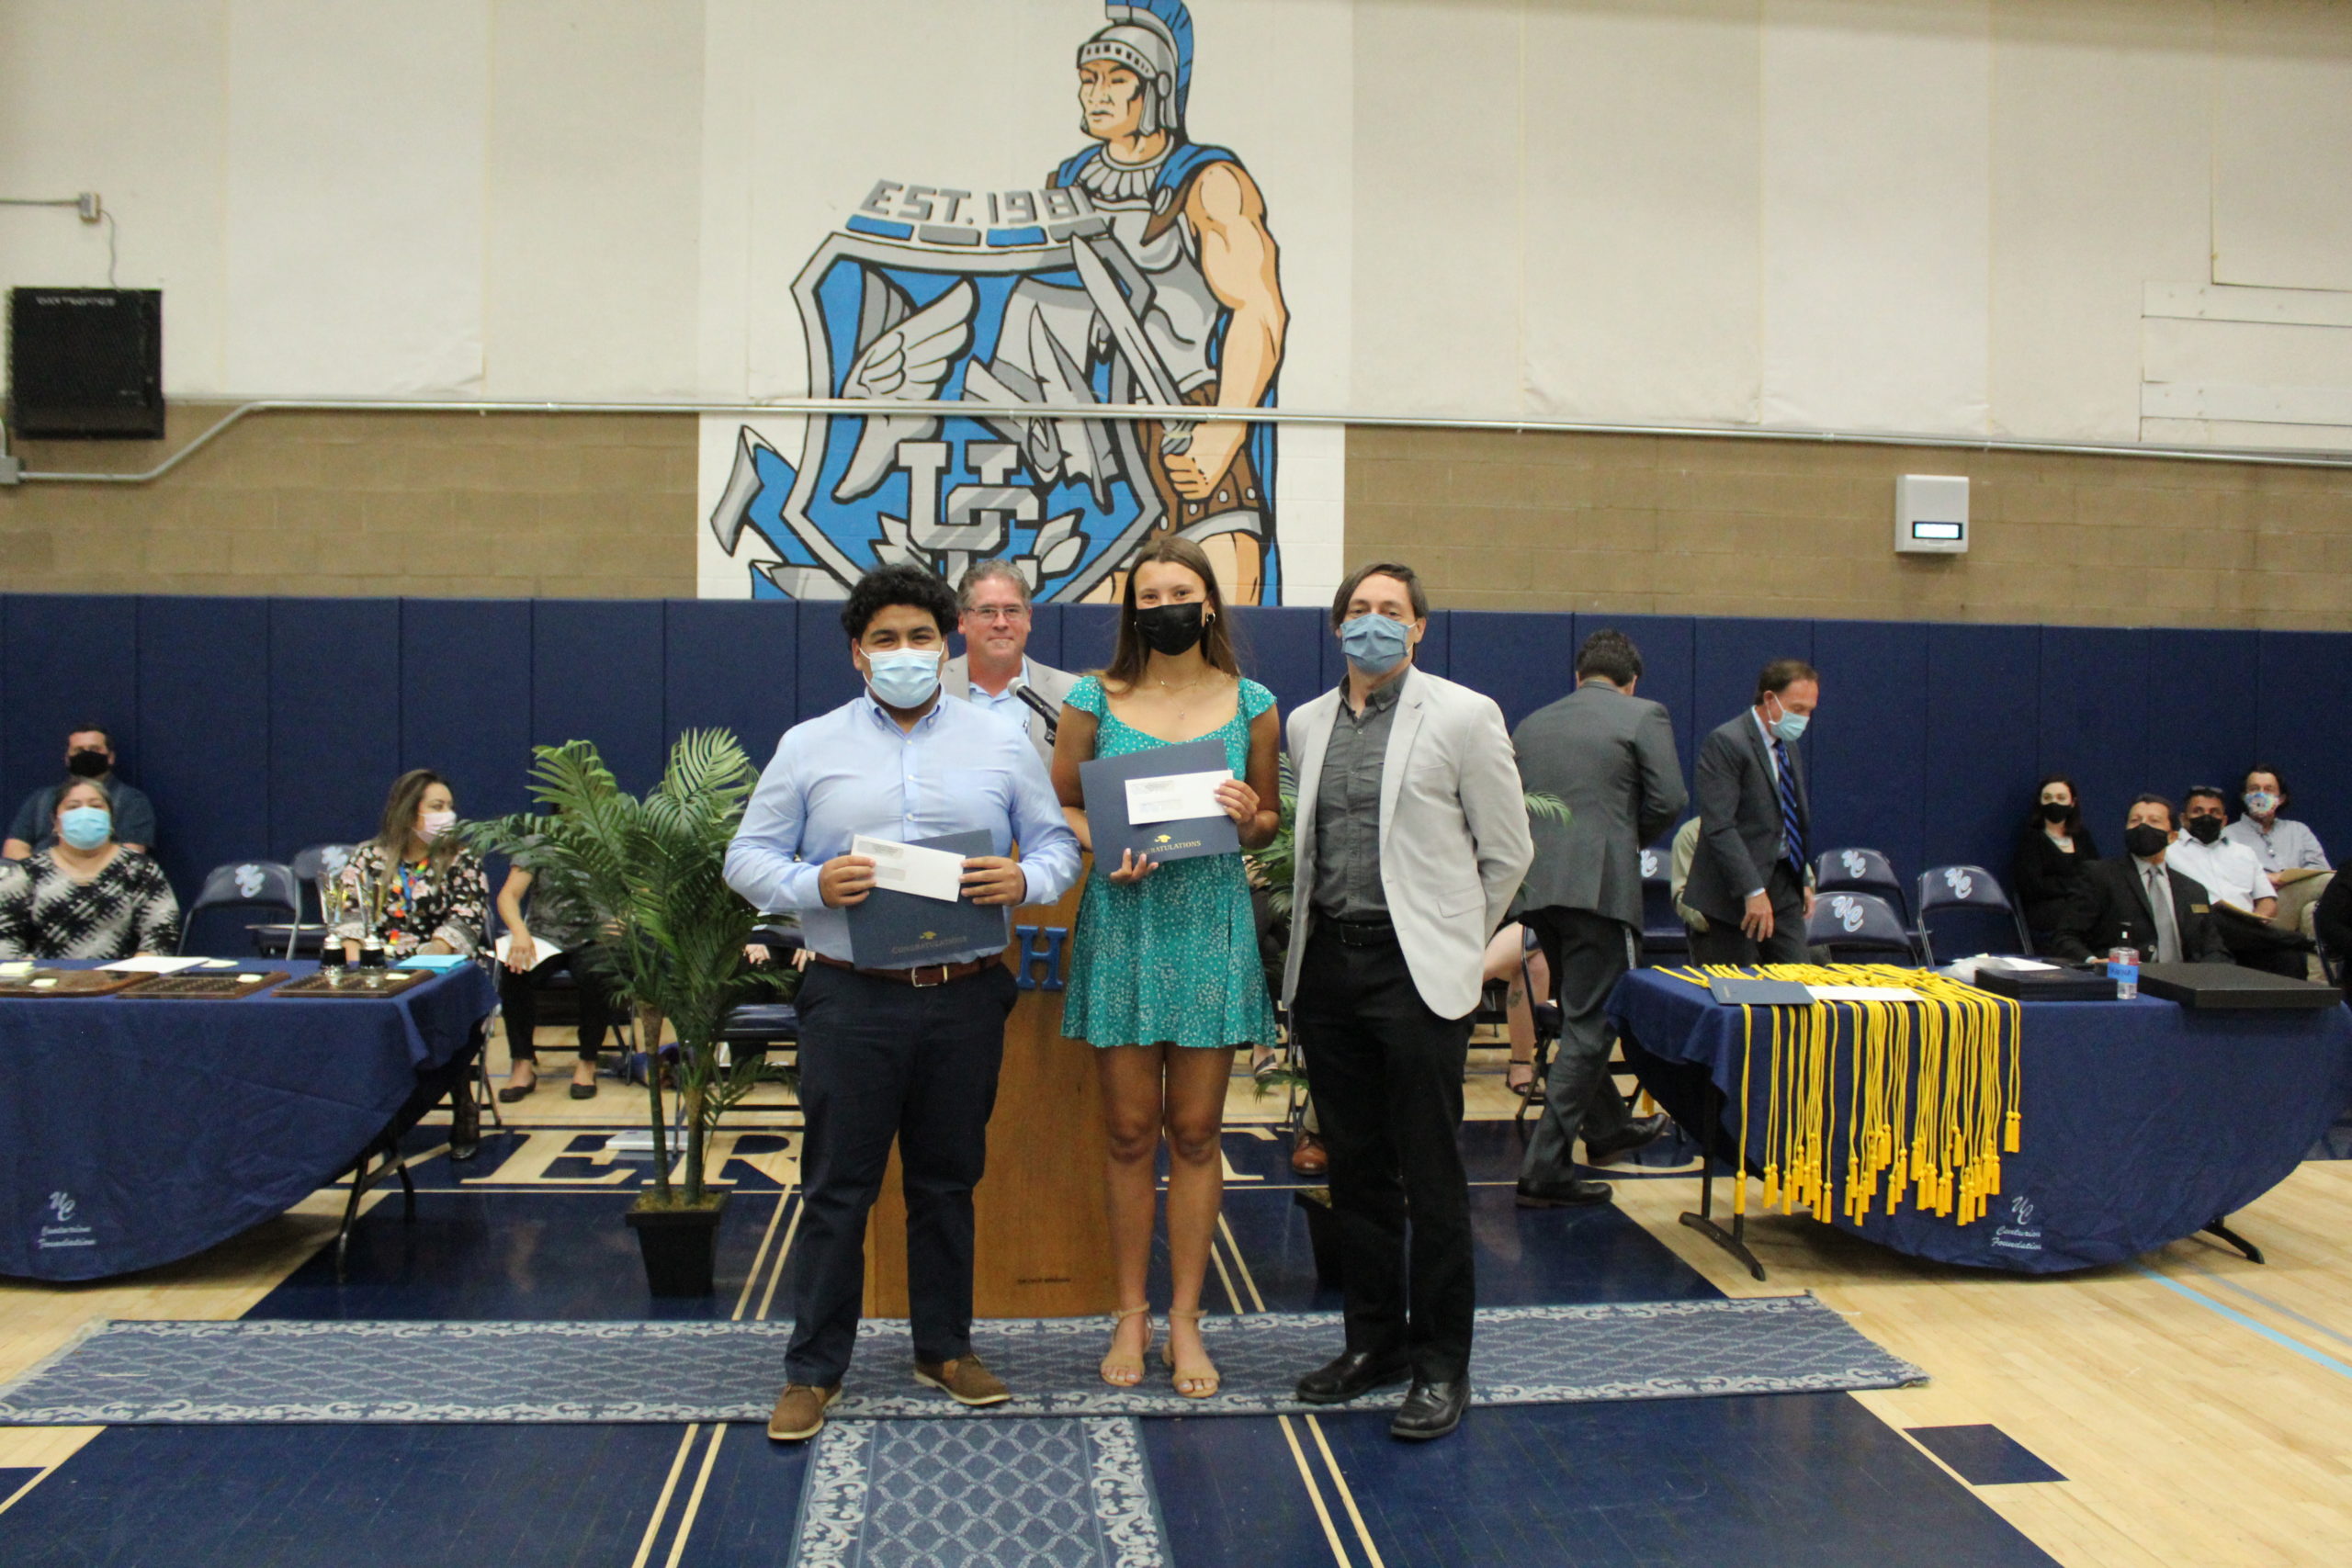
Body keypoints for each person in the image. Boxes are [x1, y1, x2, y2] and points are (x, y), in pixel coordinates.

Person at [724, 563, 1080, 1445]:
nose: (905, 652)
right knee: (836, 1187)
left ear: (946, 641)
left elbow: (1056, 848)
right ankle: (813, 1369)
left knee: (947, 1182)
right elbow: (746, 857)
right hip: (851, 995)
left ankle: (944, 1349)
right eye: (885, 638)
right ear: (858, 653)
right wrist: (812, 883)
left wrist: (1025, 879)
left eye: (920, 636)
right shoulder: (810, 745)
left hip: (965, 995)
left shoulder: (1001, 742)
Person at [1281, 560, 1532, 1444]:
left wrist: (1455, 943)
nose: (1373, 621)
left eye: (1391, 609)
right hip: (1329, 969)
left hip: (1416, 973)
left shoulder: (1464, 715)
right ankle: (1374, 1344)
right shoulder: (1306, 723)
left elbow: (1508, 850)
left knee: (1430, 1173)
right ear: (1336, 625)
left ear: (1419, 626)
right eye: (1359, 608)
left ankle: (1441, 1364)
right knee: (1354, 1170)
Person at [1052, 536, 1280, 1400]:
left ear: (1208, 601)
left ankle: (1186, 1317)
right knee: (1126, 1130)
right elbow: (1061, 801)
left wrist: (1249, 813)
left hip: (1210, 921)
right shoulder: (1091, 697)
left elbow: (1265, 821)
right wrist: (1100, 843)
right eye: (1148, 596)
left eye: (1179, 591)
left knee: (1195, 1131)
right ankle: (1130, 1312)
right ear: (1131, 609)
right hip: (1127, 917)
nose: (1164, 606)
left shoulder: (1253, 703)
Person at [1508, 628, 1686, 1207]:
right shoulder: (1643, 715)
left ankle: (1607, 1127)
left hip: (1538, 891)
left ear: (1578, 677)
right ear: (1631, 683)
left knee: (1580, 1013)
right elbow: (1670, 799)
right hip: (1600, 890)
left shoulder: (1532, 723)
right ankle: (1545, 1169)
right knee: (1592, 1024)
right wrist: (1623, 841)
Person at [1682, 660, 1819, 965]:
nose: (1804, 719)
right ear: (1769, 699)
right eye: (1797, 709)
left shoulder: (1788, 746)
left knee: (1798, 978)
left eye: (1810, 711)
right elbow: (1719, 825)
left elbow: (1789, 818)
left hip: (1783, 883)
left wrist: (1802, 880)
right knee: (1738, 986)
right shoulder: (1727, 742)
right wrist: (1752, 890)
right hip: (1733, 891)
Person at [0, 778, 179, 959]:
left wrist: (140, 968)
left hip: (126, 975)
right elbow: (4, 936)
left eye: (96, 806)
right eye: (73, 807)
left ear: (111, 818)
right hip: (43, 975)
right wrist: (25, 969)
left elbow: (163, 929)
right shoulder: (28, 872)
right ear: (55, 821)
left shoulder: (139, 869)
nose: (85, 813)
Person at [2051, 795, 2231, 964]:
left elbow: (2215, 950)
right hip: (2124, 978)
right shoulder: (2099, 876)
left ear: (2172, 836)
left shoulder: (2193, 890)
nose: (2143, 827)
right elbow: (2066, 937)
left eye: (2154, 821)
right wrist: (2093, 963)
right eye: (2135, 821)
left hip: (2184, 980)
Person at [331, 770, 489, 961]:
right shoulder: (369, 856)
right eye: (437, 807)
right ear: (408, 813)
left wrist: (425, 963)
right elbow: (349, 915)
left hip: (438, 963)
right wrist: (356, 967)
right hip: (377, 962)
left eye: (450, 807)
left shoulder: (463, 859)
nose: (448, 815)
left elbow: (466, 918)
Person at [492, 862, 614, 1101]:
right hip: (544, 935)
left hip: (596, 936)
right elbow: (509, 895)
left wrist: (624, 919)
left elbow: (642, 890)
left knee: (597, 972)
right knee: (515, 970)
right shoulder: (535, 846)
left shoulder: (614, 842)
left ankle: (587, 1062)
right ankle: (522, 1064)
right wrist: (519, 932)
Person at [943, 558, 1080, 765]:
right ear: (962, 621)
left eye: (1012, 611)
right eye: (987, 611)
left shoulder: (1071, 694)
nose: (1001, 623)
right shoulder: (934, 686)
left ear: (1028, 618)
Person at [2169, 786, 2309, 977]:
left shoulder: (2244, 853)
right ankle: (2293, 939)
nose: (2206, 817)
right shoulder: (2168, 853)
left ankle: (2281, 940)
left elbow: (2267, 899)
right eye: (2198, 811)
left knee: (2289, 958)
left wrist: (2259, 918)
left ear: (2224, 820)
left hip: (2244, 932)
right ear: (2184, 818)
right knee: (2212, 916)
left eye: (2214, 812)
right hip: (2199, 930)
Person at [2222, 766, 2334, 964]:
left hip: (2297, 900)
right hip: (2261, 910)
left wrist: (2285, 877)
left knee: (2313, 911)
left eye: (2269, 789)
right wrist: (2263, 879)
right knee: (2332, 882)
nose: (2261, 794)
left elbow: (2320, 867)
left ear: (2280, 798)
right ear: (2244, 796)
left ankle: (2318, 980)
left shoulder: (2298, 830)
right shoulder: (2228, 835)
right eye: (2254, 789)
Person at [5, 725, 157, 859]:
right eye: (78, 750)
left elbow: (131, 855)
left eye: (94, 749)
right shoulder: (41, 799)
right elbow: (13, 848)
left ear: (110, 757)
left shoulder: (132, 801)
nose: (86, 754)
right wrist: (44, 874)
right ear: (67, 759)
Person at [2012, 774, 2101, 954]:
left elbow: (2096, 875)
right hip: (2047, 911)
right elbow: (2033, 885)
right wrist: (2074, 885)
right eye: (2048, 798)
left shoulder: (2082, 836)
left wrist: (2063, 884)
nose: (2054, 803)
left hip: (2081, 906)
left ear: (2072, 802)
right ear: (2040, 802)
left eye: (2061, 798)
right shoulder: (2031, 839)